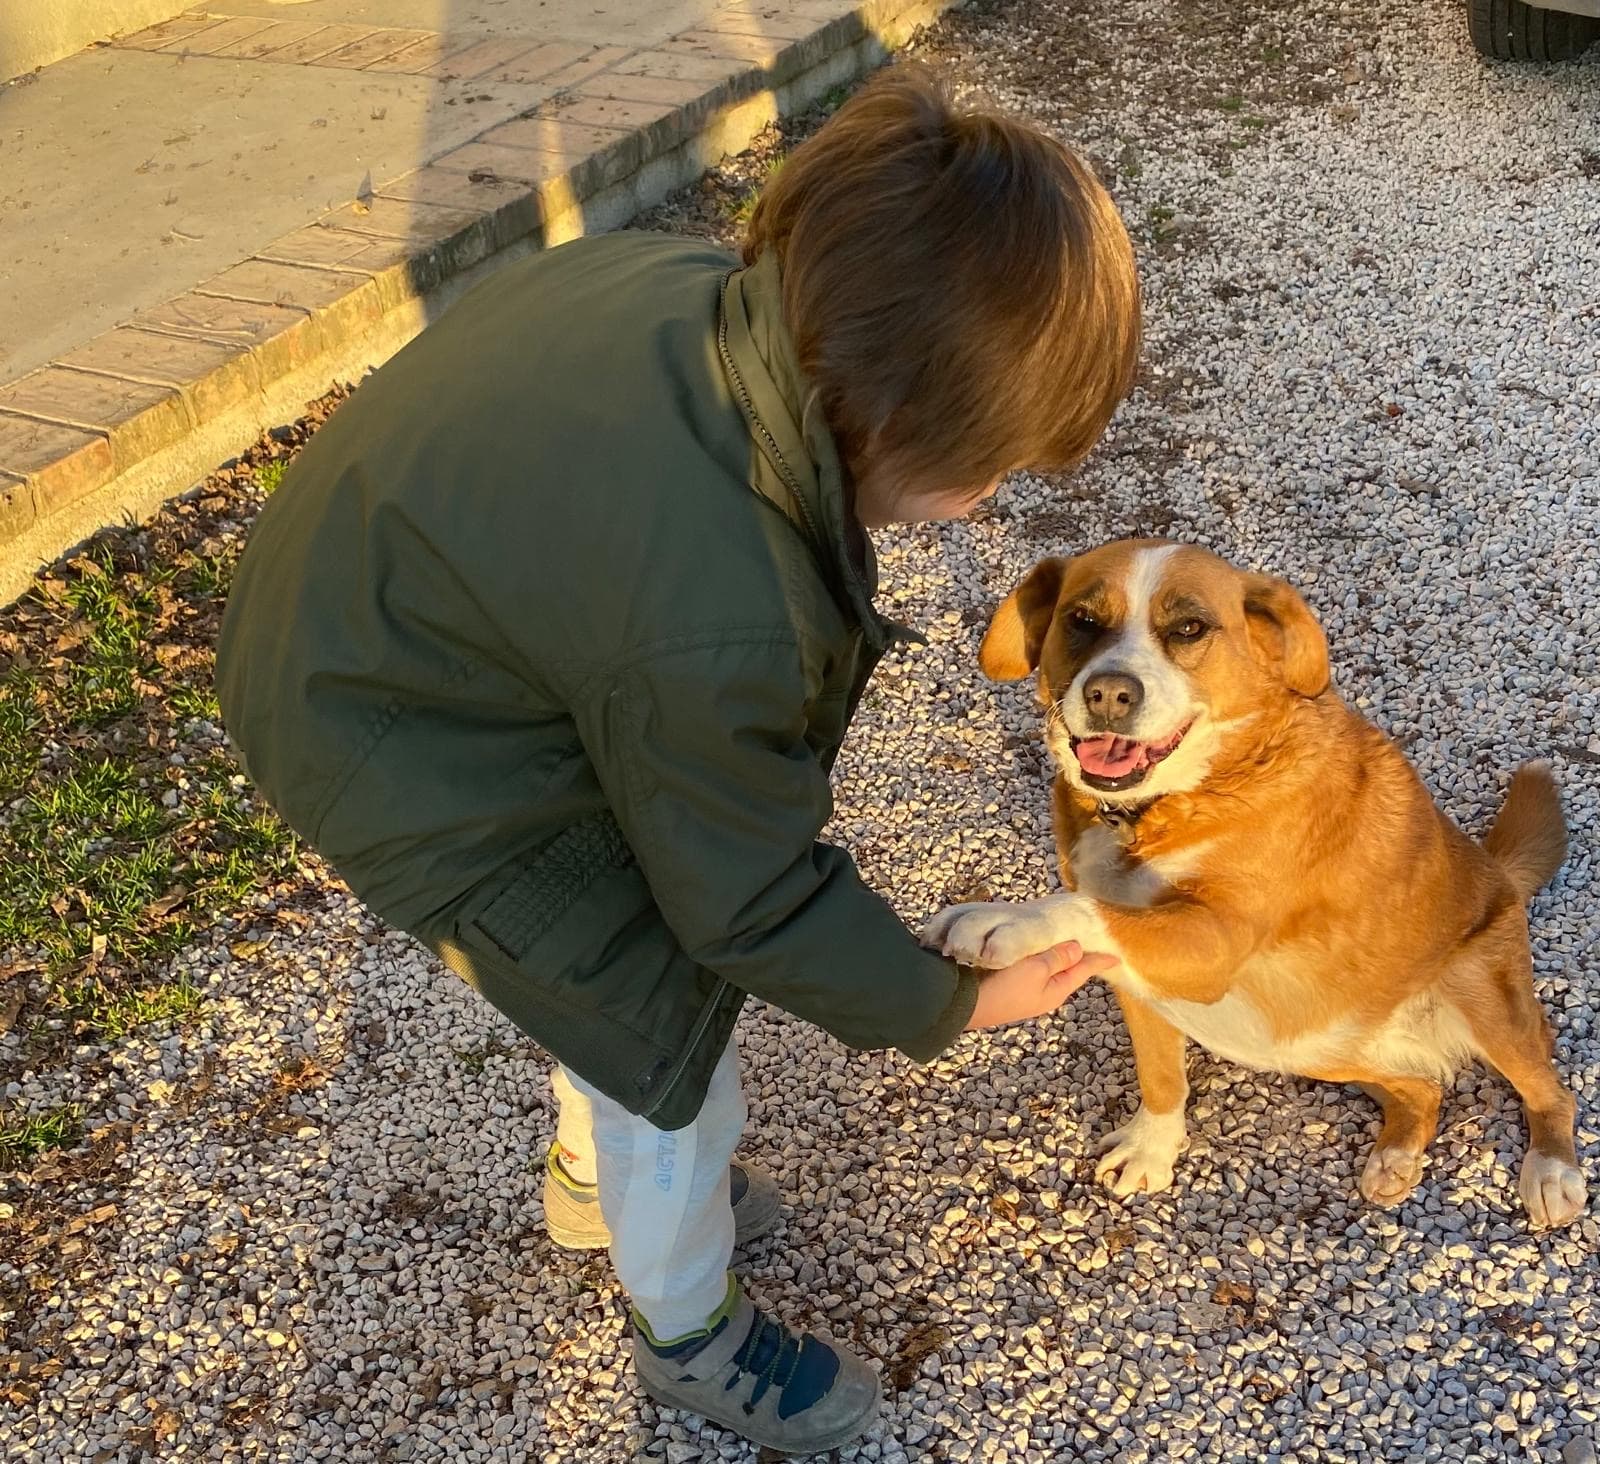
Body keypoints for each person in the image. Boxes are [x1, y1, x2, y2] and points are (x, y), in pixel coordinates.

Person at [215, 67, 1139, 1454]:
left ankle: (600, 1189)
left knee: (612, 965)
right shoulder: (729, 612)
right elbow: (745, 899)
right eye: (991, 473)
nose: (990, 505)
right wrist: (943, 1007)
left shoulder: (700, 293)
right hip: (398, 726)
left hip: (372, 618)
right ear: (889, 426)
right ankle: (690, 1332)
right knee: (659, 1025)